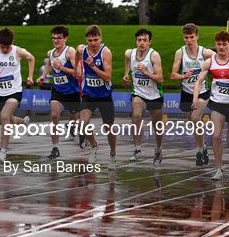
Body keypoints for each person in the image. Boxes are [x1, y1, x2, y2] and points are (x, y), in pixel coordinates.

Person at [192, 31, 229, 180]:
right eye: (219, 44)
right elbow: (198, 81)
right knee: (216, 136)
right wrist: (196, 98)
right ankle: (219, 169)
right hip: (217, 103)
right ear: (216, 45)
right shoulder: (210, 62)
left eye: (224, 44)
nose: (221, 47)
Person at [0, 27, 34, 162]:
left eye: (7, 47)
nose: (5, 50)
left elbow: (31, 58)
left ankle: (3, 152)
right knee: (9, 119)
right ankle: (23, 121)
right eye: (2, 47)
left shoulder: (18, 51)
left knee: (4, 116)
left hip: (14, 91)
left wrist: (30, 76)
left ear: (13, 42)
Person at [170, 23, 215, 166]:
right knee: (193, 122)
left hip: (202, 91)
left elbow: (222, 60)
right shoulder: (180, 53)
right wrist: (184, 76)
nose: (189, 40)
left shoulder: (205, 53)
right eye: (186, 37)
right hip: (186, 91)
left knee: (196, 118)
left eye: (192, 37)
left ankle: (199, 151)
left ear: (197, 37)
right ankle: (204, 147)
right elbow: (173, 75)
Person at [37, 25, 81, 159]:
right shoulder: (51, 53)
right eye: (54, 38)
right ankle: (55, 147)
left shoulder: (70, 52)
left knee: (74, 115)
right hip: (58, 90)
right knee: (54, 115)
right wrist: (43, 76)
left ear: (65, 38)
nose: (56, 41)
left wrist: (61, 67)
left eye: (59, 38)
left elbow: (78, 73)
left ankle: (75, 128)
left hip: (72, 91)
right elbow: (50, 64)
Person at [75, 25, 116, 169]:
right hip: (88, 94)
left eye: (95, 39)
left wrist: (93, 67)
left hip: (104, 95)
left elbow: (108, 76)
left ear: (101, 38)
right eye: (90, 40)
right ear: (86, 39)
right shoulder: (82, 49)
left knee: (109, 128)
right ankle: (93, 146)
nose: (93, 43)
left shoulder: (106, 52)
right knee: (83, 123)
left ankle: (112, 154)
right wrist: (77, 69)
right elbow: (77, 54)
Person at [123, 28, 165, 166]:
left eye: (145, 40)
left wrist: (147, 72)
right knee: (136, 114)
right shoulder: (130, 53)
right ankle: (137, 148)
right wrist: (126, 73)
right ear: (136, 41)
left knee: (157, 126)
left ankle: (158, 148)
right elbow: (127, 61)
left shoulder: (154, 56)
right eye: (139, 40)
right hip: (138, 93)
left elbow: (160, 78)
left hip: (154, 95)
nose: (141, 43)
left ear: (149, 42)